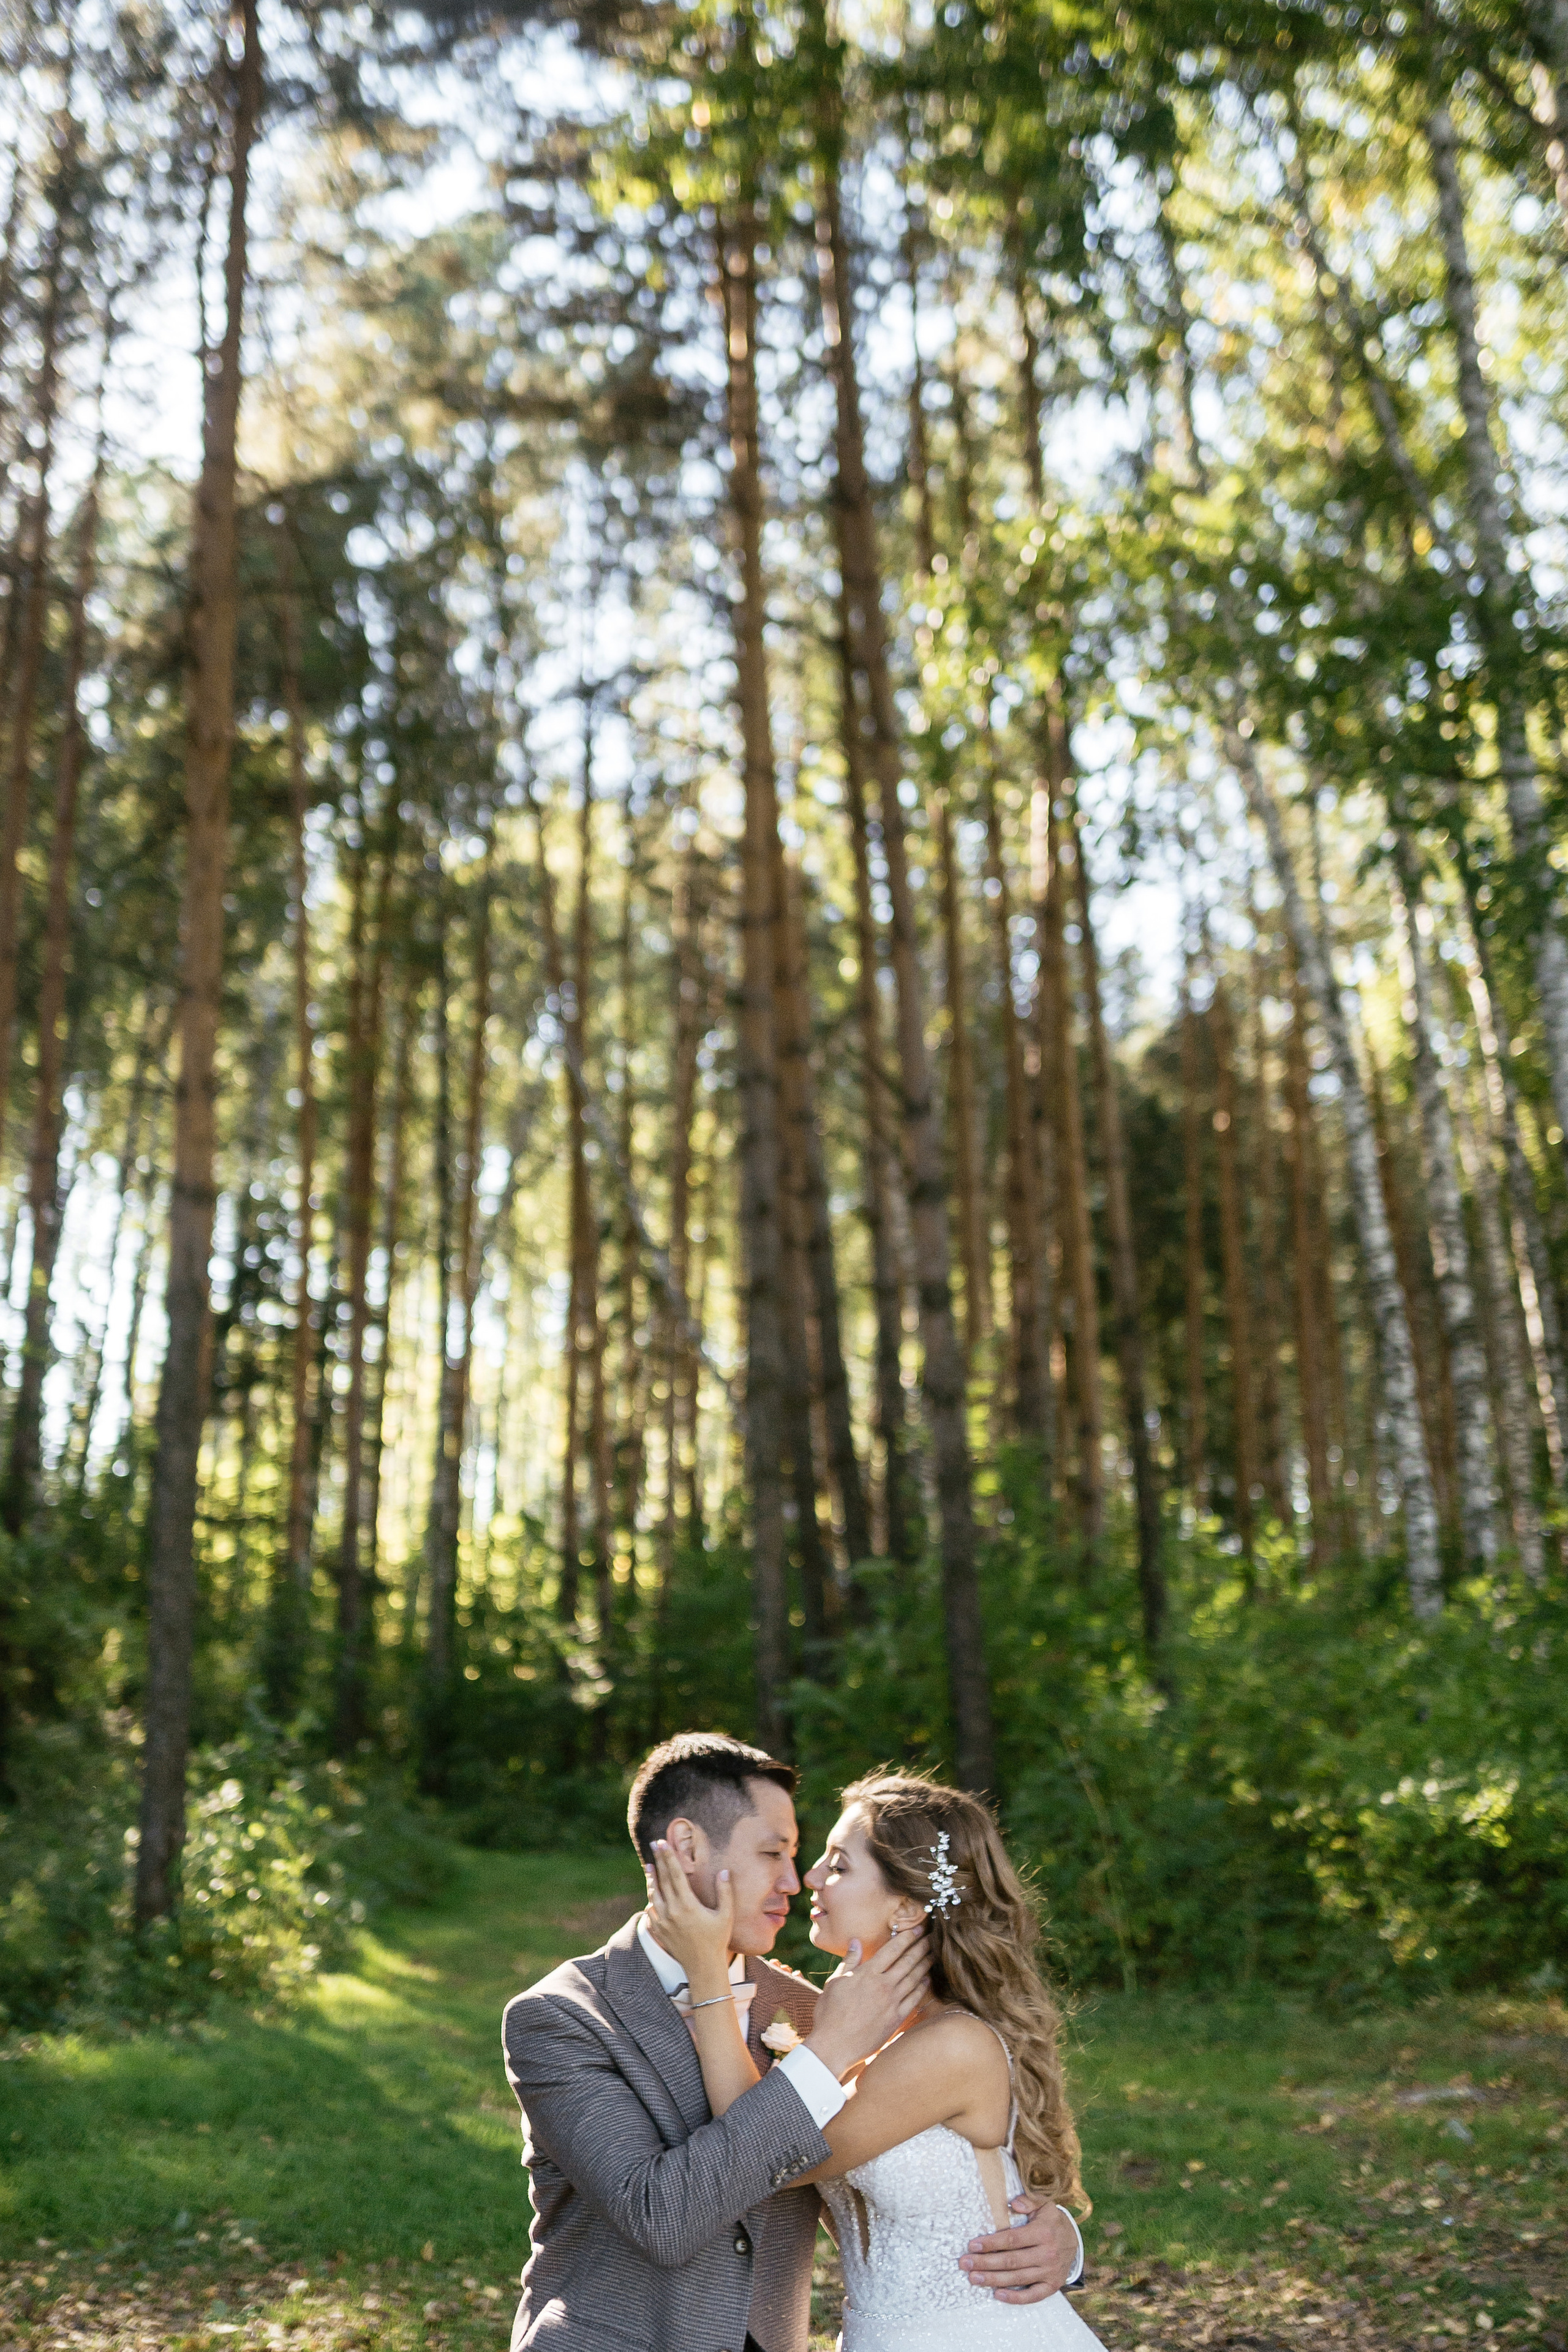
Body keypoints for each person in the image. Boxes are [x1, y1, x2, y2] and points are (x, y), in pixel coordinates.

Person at [502, 1734, 1083, 2352]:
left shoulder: (812, 2009)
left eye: (814, 1859)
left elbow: (889, 2181)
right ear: (688, 1848)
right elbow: (663, 2219)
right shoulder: (561, 2017)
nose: (796, 1881)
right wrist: (823, 2050)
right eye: (773, 1854)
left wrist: (1057, 2240)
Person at [646, 1767, 1102, 2352]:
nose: (809, 1876)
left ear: (910, 1908)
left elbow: (762, 2152)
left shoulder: (951, 2047)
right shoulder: (880, 2032)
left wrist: (706, 1969)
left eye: (837, 1865)